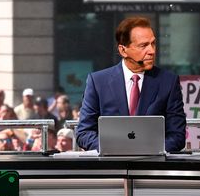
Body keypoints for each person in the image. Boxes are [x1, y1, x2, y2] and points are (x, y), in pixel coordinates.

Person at [75, 16, 187, 152]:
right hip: (112, 167)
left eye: (153, 44)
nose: (151, 51)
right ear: (123, 50)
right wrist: (114, 149)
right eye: (143, 45)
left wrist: (148, 151)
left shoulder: (168, 82)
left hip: (152, 167)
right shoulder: (98, 82)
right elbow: (84, 132)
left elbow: (177, 135)